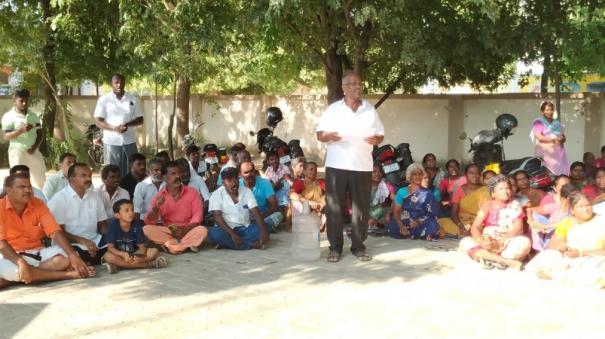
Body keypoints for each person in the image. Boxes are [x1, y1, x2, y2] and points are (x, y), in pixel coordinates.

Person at [316, 71, 384, 262]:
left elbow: (380, 135)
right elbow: (319, 134)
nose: (357, 87)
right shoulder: (333, 110)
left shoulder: (369, 110)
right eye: (352, 84)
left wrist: (376, 139)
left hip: (362, 166)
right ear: (344, 88)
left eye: (359, 83)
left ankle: (358, 246)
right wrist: (328, 136)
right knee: (335, 207)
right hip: (337, 165)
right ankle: (335, 247)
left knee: (361, 208)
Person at [0, 173, 94, 289]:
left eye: (29, 186)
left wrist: (73, 255)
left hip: (39, 254)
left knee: (70, 255)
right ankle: (68, 274)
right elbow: (2, 244)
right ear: (8, 190)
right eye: (22, 187)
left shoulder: (38, 204)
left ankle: (18, 278)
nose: (28, 190)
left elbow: (55, 231)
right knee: (6, 267)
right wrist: (20, 262)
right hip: (11, 256)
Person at [526, 192, 605, 288]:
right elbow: (551, 247)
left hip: (594, 259)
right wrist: (561, 247)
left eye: (588, 205)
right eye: (580, 206)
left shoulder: (601, 221)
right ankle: (567, 277)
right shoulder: (567, 222)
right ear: (572, 210)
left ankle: (559, 277)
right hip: (570, 260)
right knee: (548, 255)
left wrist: (581, 253)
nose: (586, 209)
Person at [459, 174, 531, 270]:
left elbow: (518, 228)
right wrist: (481, 241)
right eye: (501, 189)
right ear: (493, 193)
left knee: (524, 242)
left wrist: (502, 241)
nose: (505, 191)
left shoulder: (515, 205)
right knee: (465, 242)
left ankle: (486, 258)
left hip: (506, 243)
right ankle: (504, 261)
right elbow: (476, 226)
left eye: (507, 188)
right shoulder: (488, 205)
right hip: (488, 242)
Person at [47, 163, 108, 265]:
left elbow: (101, 224)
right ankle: (97, 260)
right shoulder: (59, 199)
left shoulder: (95, 196)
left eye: (90, 175)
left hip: (95, 240)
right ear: (71, 178)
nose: (88, 178)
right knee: (69, 257)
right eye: (83, 175)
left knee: (116, 245)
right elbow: (57, 233)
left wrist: (112, 235)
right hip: (72, 243)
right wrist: (82, 241)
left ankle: (97, 260)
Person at [143, 161, 207, 254]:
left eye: (179, 173)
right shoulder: (160, 196)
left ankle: (173, 246)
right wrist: (156, 207)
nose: (178, 176)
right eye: (173, 174)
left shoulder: (192, 193)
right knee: (146, 229)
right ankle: (185, 245)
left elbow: (197, 217)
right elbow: (149, 221)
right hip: (170, 232)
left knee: (202, 230)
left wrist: (184, 231)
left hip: (188, 230)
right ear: (165, 177)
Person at [93, 73, 144, 177]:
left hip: (129, 141)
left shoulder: (133, 99)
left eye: (121, 82)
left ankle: (130, 193)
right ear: (111, 84)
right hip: (111, 142)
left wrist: (127, 124)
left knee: (133, 172)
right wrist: (115, 128)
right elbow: (98, 121)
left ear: (125, 83)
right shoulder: (104, 100)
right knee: (112, 173)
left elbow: (140, 119)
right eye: (116, 82)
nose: (119, 85)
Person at [207, 167, 269, 250]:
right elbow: (217, 218)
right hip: (226, 230)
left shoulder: (246, 191)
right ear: (223, 183)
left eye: (236, 179)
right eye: (229, 180)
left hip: (245, 229)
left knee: (265, 227)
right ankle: (250, 245)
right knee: (214, 233)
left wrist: (263, 231)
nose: (234, 183)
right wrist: (233, 234)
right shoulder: (216, 194)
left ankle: (227, 244)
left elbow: (256, 212)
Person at [102, 199, 167, 274]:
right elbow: (110, 247)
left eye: (132, 210)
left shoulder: (137, 224)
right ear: (117, 215)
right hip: (120, 254)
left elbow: (142, 247)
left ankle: (120, 266)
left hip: (135, 253)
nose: (131, 213)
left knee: (154, 251)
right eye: (127, 210)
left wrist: (139, 258)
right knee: (108, 256)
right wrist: (123, 255)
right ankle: (148, 264)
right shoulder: (112, 225)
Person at [1, 89, 46, 189]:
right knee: (18, 180)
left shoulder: (33, 116)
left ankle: (41, 202)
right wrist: (21, 131)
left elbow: (40, 133)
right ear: (14, 101)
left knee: (41, 180)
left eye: (26, 100)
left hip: (33, 151)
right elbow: (5, 136)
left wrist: (34, 148)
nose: (24, 103)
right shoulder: (8, 117)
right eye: (21, 101)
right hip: (17, 151)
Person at [387, 164, 440, 240]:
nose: (418, 177)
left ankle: (410, 233)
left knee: (433, 225)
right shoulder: (402, 191)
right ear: (409, 176)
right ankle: (413, 233)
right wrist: (401, 225)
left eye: (420, 174)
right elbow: (396, 211)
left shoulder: (428, 193)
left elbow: (433, 214)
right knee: (392, 226)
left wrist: (418, 221)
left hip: (421, 222)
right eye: (414, 174)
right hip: (405, 221)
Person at [526, 178, 575, 252]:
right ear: (561, 198)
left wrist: (548, 226)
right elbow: (530, 210)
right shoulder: (555, 206)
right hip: (550, 241)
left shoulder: (576, 210)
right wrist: (531, 221)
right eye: (565, 197)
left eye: (570, 197)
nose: (567, 200)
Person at [438, 164, 486, 238]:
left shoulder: (485, 190)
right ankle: (466, 231)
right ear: (465, 175)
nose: (474, 176)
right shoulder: (460, 189)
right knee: (441, 222)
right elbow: (454, 213)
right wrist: (461, 226)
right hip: (463, 221)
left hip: (479, 222)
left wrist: (475, 225)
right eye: (471, 173)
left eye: (477, 173)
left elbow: (487, 213)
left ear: (480, 175)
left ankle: (473, 231)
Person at [240, 161, 283, 233]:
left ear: (255, 171)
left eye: (251, 171)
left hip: (263, 214)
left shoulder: (265, 183)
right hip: (245, 216)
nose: (249, 174)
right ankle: (264, 228)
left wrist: (260, 218)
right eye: (246, 172)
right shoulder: (237, 185)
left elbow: (274, 206)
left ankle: (257, 227)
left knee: (279, 215)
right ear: (240, 174)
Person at [530, 101, 569, 175]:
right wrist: (553, 140)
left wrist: (562, 140)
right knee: (548, 174)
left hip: (559, 154)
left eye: (551, 109)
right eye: (547, 110)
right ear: (542, 111)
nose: (550, 112)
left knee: (560, 174)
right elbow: (539, 137)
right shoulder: (538, 122)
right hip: (546, 153)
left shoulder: (557, 123)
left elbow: (563, 137)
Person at [290, 162, 326, 231]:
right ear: (304, 171)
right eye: (311, 169)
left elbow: (331, 193)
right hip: (306, 209)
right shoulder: (298, 183)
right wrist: (309, 202)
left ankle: (319, 222)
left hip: (319, 209)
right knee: (295, 202)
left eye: (315, 170)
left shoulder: (321, 182)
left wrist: (321, 203)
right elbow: (292, 195)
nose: (314, 172)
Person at [368, 164, 393, 234]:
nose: (377, 174)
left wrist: (389, 213)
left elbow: (395, 199)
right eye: (374, 172)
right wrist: (369, 218)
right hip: (369, 213)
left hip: (383, 212)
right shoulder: (365, 185)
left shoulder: (385, 183)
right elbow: (361, 205)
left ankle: (379, 225)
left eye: (380, 172)